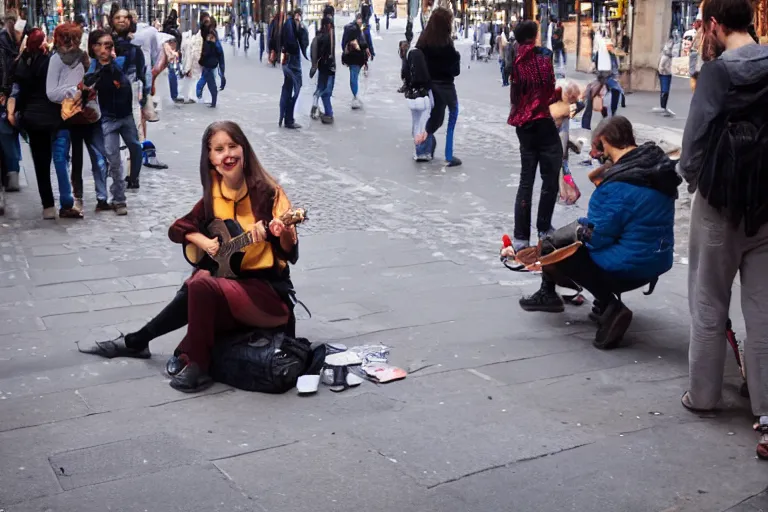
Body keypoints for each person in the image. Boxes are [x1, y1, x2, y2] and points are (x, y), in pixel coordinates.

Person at [80, 121, 300, 394]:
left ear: (244, 149)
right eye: (219, 149)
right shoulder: (213, 194)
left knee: (200, 283)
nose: (227, 154)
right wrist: (205, 242)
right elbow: (179, 229)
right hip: (230, 287)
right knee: (203, 277)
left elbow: (290, 254)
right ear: (209, 157)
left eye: (233, 146)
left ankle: (193, 362)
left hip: (266, 295)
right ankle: (142, 342)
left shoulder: (269, 193)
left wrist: (284, 231)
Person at [677, 0, 768, 460]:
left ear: (714, 24)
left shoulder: (716, 72)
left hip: (719, 203)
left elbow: (694, 141)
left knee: (709, 298)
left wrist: (696, 183)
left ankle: (705, 395)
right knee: (764, 307)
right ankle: (766, 409)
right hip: (766, 204)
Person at [517, 117, 679, 349]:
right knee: (607, 238)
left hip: (631, 266)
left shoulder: (618, 185)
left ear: (606, 142)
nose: (593, 154)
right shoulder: (656, 169)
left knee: (563, 248)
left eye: (596, 146)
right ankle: (599, 304)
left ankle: (610, 305)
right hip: (658, 259)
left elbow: (597, 236)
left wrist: (563, 237)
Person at [7, 28, 74, 219]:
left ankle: (48, 206)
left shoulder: (21, 63)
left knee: (41, 163)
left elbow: (16, 89)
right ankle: (66, 199)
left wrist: (13, 113)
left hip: (32, 120)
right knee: (60, 158)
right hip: (54, 117)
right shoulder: (52, 61)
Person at [46, 22, 110, 214]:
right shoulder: (56, 60)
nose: (69, 43)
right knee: (74, 159)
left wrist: (90, 91)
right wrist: (74, 91)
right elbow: (51, 92)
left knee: (98, 156)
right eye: (66, 38)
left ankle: (102, 197)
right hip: (68, 115)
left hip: (88, 113)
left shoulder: (84, 57)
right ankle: (76, 197)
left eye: (73, 38)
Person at [507, 20, 559, 252]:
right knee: (550, 178)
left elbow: (516, 94)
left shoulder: (515, 59)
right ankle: (544, 228)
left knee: (526, 180)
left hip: (523, 125)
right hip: (542, 122)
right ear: (535, 35)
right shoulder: (544, 58)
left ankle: (520, 237)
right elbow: (549, 90)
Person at [85, 29, 142, 216]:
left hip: (126, 116)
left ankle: (133, 179)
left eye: (108, 45)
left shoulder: (120, 62)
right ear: (93, 48)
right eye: (100, 45)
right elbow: (88, 85)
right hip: (108, 119)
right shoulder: (93, 67)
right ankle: (119, 199)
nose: (104, 49)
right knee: (114, 160)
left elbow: (128, 78)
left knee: (135, 147)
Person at [418, 7, 461, 167]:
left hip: (430, 85)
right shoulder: (447, 44)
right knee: (452, 115)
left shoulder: (423, 41)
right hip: (447, 87)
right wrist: (456, 57)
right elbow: (455, 71)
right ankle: (449, 154)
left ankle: (423, 143)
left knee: (436, 117)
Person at [0, 10, 24, 197]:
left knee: (8, 130)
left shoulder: (8, 40)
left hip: (9, 92)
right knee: (8, 130)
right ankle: (12, 173)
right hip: (9, 92)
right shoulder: (6, 41)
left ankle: (12, 173)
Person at [279, 9, 308, 129]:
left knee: (288, 87)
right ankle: (288, 119)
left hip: (288, 60)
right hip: (292, 61)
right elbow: (295, 42)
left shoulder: (289, 24)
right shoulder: (290, 24)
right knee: (295, 87)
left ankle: (285, 117)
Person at [310, 16, 335, 124]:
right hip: (328, 67)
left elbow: (314, 51)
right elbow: (329, 53)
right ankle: (328, 113)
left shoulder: (319, 35)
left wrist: (314, 65)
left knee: (321, 86)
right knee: (327, 90)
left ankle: (315, 103)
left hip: (322, 66)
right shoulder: (327, 36)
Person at [341, 13, 369, 109]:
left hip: (353, 57)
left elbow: (343, 43)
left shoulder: (349, 29)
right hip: (358, 57)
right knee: (354, 76)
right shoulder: (358, 29)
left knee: (354, 76)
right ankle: (356, 96)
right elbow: (366, 42)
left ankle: (356, 96)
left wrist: (345, 53)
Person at [197, 22, 221, 108]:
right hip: (213, 64)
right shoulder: (215, 38)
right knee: (211, 83)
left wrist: (200, 62)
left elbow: (205, 54)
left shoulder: (208, 40)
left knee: (210, 84)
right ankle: (213, 101)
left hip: (208, 65)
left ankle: (203, 98)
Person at [657, 33, 675, 116]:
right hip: (665, 75)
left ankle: (663, 106)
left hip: (667, 74)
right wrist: (664, 72)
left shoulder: (669, 56)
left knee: (666, 91)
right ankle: (663, 106)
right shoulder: (665, 57)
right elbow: (661, 67)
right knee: (664, 91)